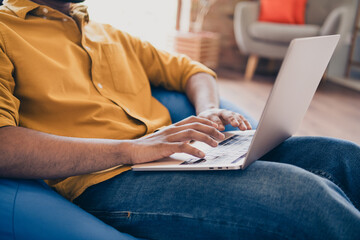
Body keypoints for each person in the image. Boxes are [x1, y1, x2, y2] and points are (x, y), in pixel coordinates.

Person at [0, 0, 359, 239]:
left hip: (180, 152)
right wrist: (131, 149)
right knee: (303, 198)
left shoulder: (108, 33)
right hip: (109, 179)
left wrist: (207, 110)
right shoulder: (5, 32)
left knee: (343, 157)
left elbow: (193, 70)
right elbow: (4, 146)